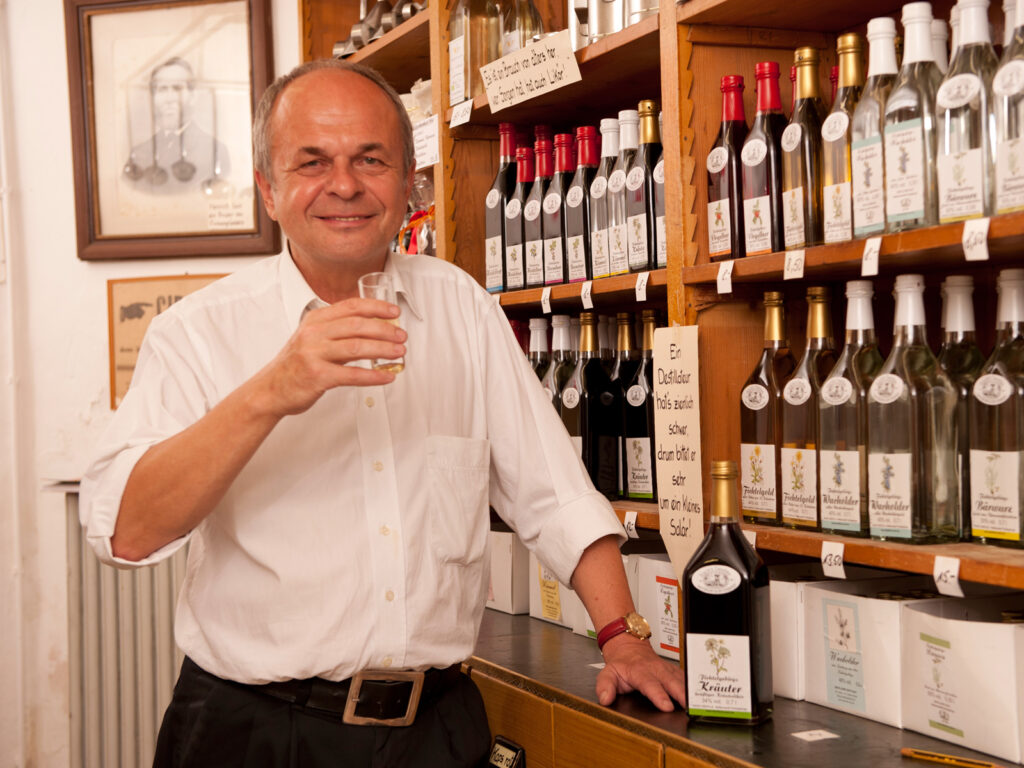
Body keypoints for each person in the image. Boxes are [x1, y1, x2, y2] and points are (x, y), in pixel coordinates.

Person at [81, 58, 685, 768]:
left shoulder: (460, 306)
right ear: (268, 191)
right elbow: (127, 531)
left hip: (436, 730)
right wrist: (271, 390)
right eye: (313, 162)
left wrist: (624, 636)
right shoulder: (197, 332)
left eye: (371, 159)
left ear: (408, 184)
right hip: (257, 733)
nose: (344, 185)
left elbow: (553, 494)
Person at [122, 57, 231, 196]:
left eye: (177, 89)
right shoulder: (138, 154)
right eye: (162, 89)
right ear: (153, 98)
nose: (169, 99)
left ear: (193, 96)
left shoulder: (215, 151)